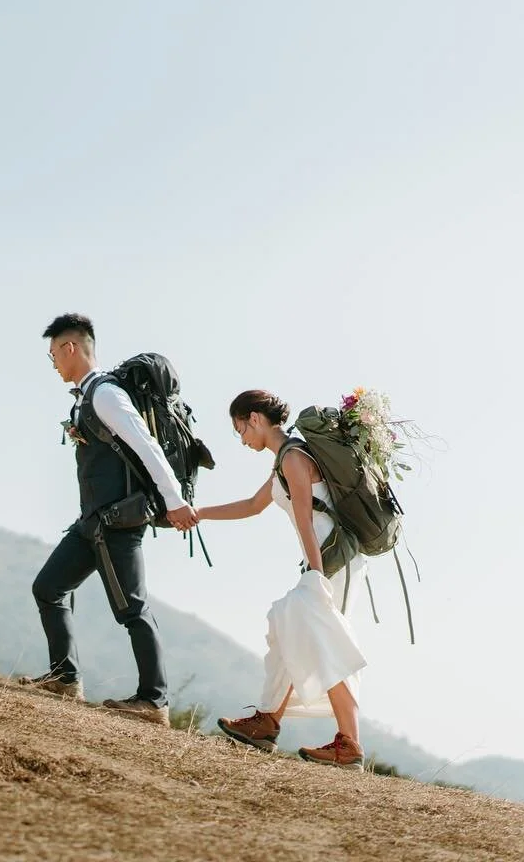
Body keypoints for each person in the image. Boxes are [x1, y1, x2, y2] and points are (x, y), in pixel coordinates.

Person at [22, 313, 198, 726]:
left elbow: (147, 444)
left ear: (70, 348)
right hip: (91, 523)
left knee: (132, 609)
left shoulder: (105, 394)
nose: (53, 363)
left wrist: (175, 501)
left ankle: (154, 701)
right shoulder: (85, 397)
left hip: (118, 524)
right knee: (48, 588)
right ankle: (65, 678)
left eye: (53, 354)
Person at [195, 389, 369, 770]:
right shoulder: (283, 462)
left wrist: (316, 579)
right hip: (321, 561)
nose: (242, 439)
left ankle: (350, 744)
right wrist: (201, 513)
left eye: (241, 430)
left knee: (324, 639)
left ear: (255, 419)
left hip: (333, 561)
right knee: (287, 626)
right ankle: (267, 722)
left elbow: (305, 519)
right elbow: (252, 506)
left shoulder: (293, 458)